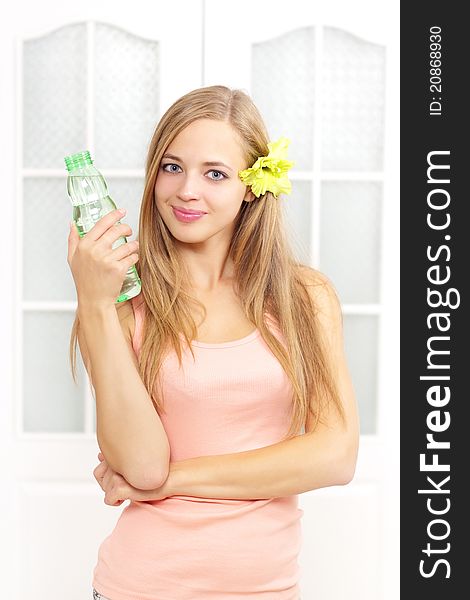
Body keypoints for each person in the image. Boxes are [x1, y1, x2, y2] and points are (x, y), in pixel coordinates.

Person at [67, 85, 359, 600]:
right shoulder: (120, 304)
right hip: (140, 585)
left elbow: (334, 456)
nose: (186, 191)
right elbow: (139, 465)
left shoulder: (303, 298)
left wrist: (174, 481)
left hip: (267, 589)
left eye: (215, 174)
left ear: (252, 186)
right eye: (172, 167)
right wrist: (93, 302)